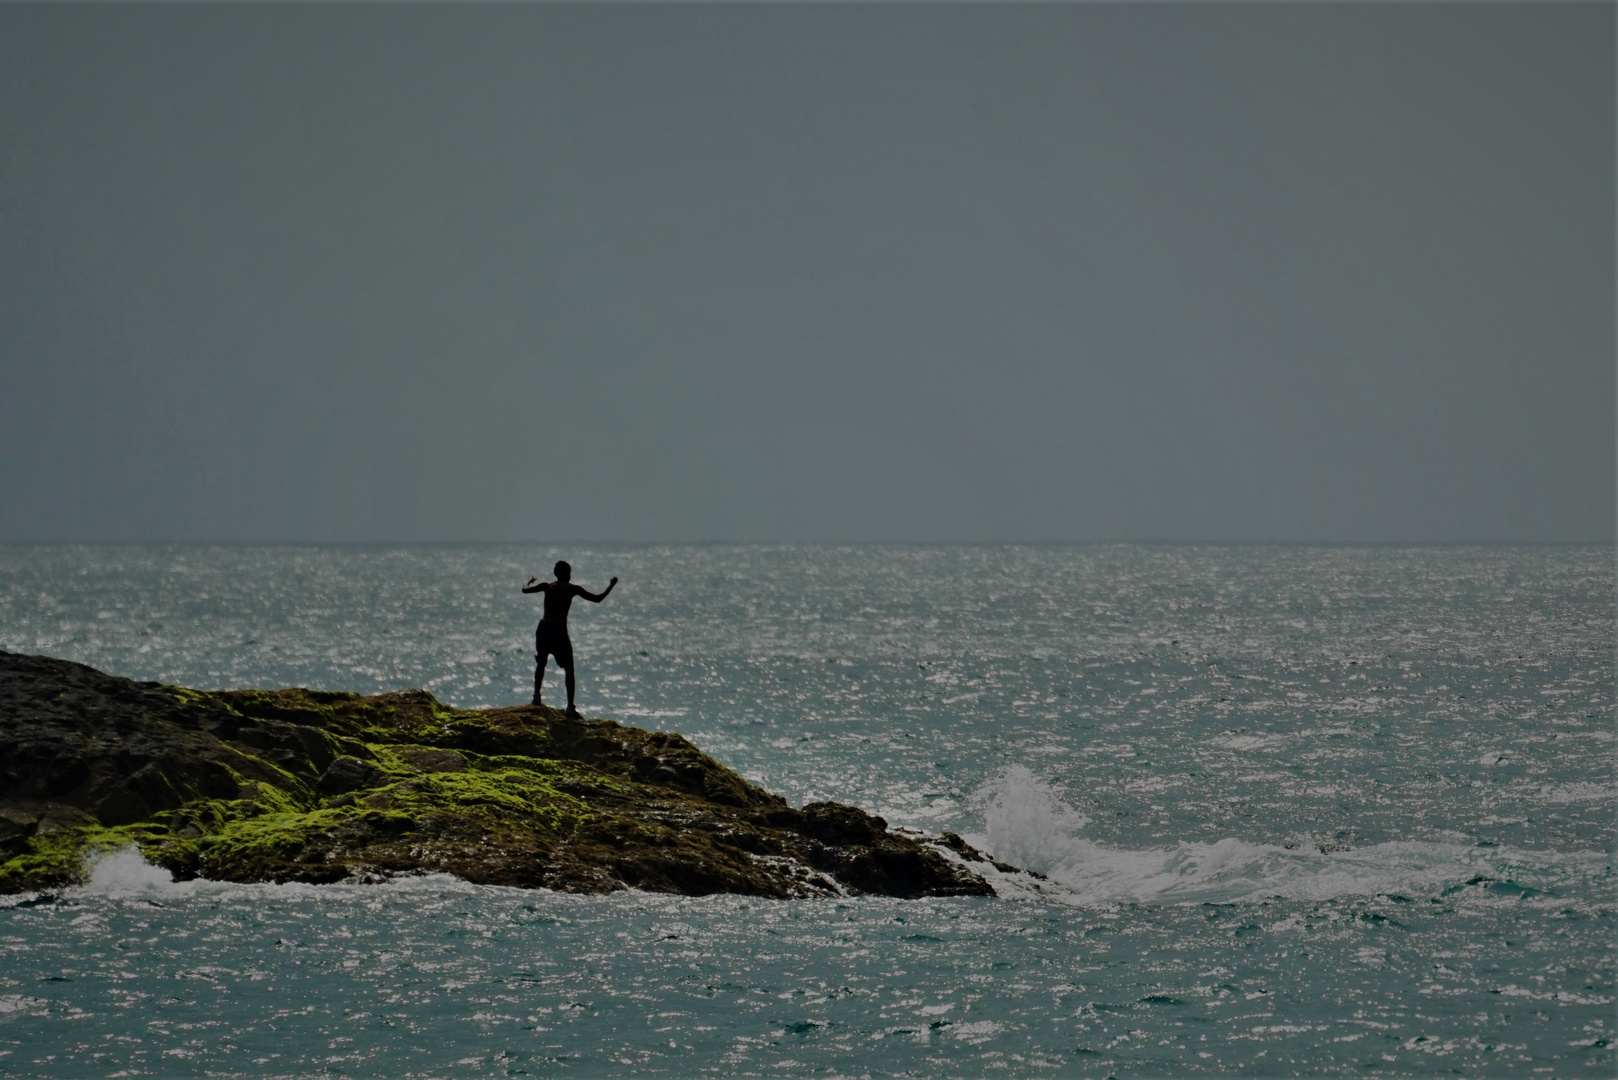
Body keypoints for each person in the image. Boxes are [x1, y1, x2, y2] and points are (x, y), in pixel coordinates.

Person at [522, 560, 617, 717]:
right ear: (567, 574)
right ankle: (570, 707)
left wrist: (529, 581)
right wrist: (612, 585)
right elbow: (598, 599)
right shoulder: (572, 589)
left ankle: (536, 698)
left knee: (541, 663)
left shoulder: (547, 586)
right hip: (558, 630)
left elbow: (525, 590)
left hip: (545, 628)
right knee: (568, 669)